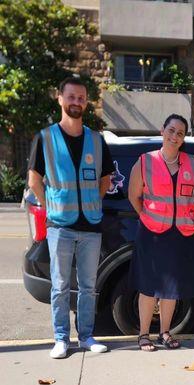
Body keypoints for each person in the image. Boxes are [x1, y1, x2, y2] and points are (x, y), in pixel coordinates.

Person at [28, 77, 114, 359]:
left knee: (89, 287)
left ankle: (87, 336)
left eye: (81, 97)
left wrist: (93, 202)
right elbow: (34, 180)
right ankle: (61, 339)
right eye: (71, 97)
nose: (76, 102)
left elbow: (105, 178)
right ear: (60, 99)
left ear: (85, 102)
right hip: (60, 225)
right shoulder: (45, 138)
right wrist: (49, 205)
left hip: (90, 225)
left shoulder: (96, 139)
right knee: (60, 285)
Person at [128, 114, 194, 351]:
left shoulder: (193, 163)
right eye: (171, 130)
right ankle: (143, 335)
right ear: (162, 131)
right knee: (149, 286)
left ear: (183, 139)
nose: (174, 136)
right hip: (151, 232)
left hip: (180, 233)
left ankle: (164, 333)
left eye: (180, 133)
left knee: (172, 288)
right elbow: (134, 196)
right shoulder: (145, 161)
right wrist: (148, 215)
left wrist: (182, 215)